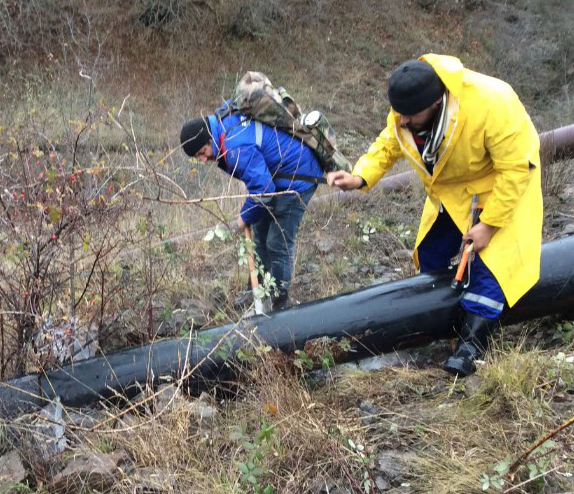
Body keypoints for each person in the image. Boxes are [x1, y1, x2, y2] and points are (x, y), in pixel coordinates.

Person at [327, 54, 542, 376]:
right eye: (400, 114)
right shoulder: (409, 107)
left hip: (499, 189)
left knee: (490, 270)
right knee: (430, 255)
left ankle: (471, 345)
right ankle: (440, 322)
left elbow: (516, 169)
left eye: (410, 115)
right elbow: (389, 143)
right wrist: (359, 177)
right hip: (450, 193)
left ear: (438, 103)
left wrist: (489, 225)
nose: (402, 121)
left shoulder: (493, 101)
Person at [180, 105, 324, 310]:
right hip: (274, 179)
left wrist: (243, 217)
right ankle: (256, 290)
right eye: (198, 157)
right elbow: (260, 181)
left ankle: (279, 301)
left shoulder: (235, 146)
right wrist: (251, 212)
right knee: (259, 235)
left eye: (202, 152)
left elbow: (263, 188)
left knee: (277, 243)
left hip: (297, 179)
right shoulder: (222, 123)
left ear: (209, 138)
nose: (203, 160)